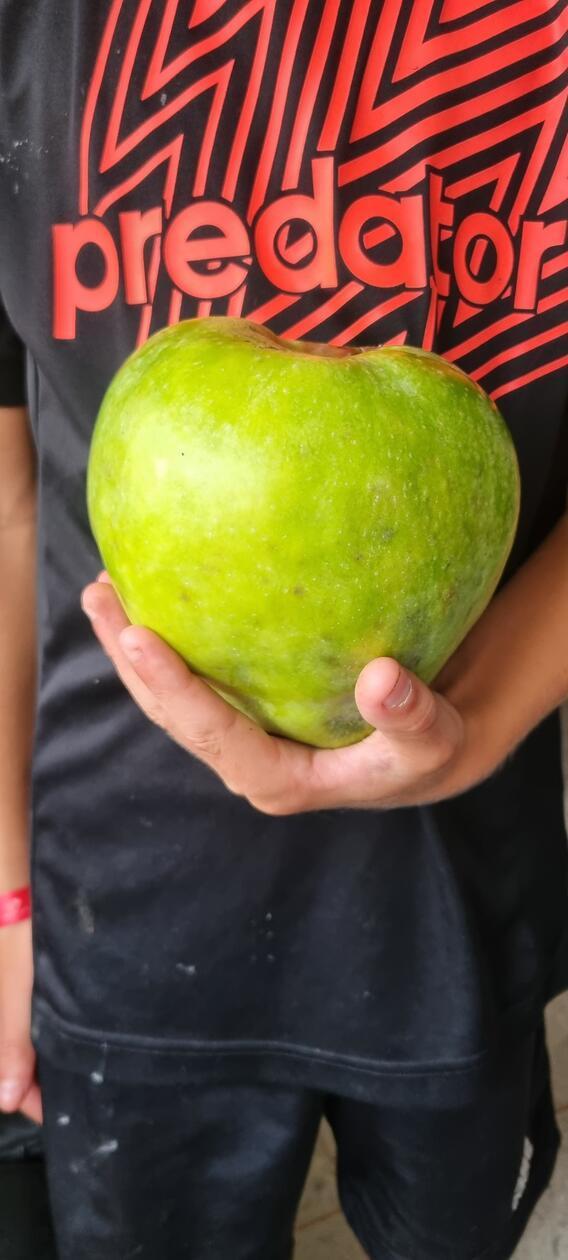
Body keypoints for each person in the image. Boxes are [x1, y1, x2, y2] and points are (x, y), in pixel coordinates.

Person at [0, 3, 567, 1258]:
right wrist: (2, 903)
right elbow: (2, 507)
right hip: (120, 914)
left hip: (459, 913)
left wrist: (477, 729)